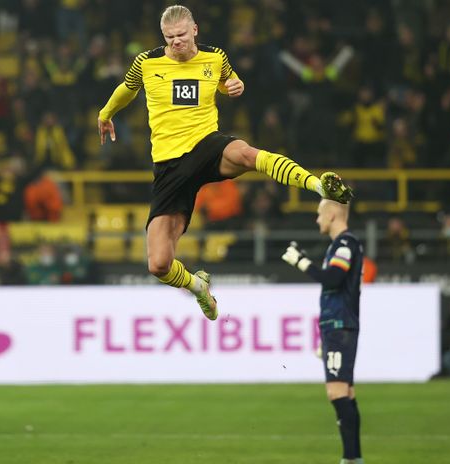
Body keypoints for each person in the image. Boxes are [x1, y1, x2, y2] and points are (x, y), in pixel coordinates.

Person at [98, 5, 353, 320]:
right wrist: (106, 114)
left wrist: (236, 85)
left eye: (180, 35)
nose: (175, 42)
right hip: (169, 165)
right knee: (158, 264)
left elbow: (230, 81)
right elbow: (127, 89)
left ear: (195, 30)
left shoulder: (215, 57)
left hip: (207, 145)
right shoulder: (147, 62)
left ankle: (320, 186)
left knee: (246, 153)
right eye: (169, 37)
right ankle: (197, 287)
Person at [281, 200, 363, 464]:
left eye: (319, 214)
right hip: (335, 326)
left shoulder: (345, 243)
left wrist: (302, 262)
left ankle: (351, 459)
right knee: (346, 394)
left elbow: (333, 279)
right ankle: (353, 458)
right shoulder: (340, 245)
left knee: (337, 393)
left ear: (331, 213)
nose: (317, 220)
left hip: (340, 325)